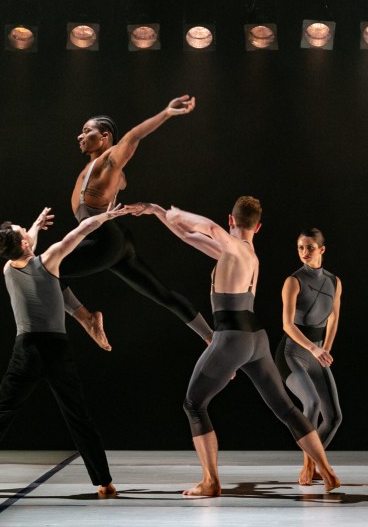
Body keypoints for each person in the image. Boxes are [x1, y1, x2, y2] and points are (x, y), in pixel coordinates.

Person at [125, 198, 340, 496]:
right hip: (256, 339)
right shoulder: (242, 253)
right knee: (286, 409)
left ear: (230, 220)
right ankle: (327, 472)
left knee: (193, 405)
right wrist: (156, 211)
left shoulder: (233, 246)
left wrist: (179, 212)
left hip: (232, 338)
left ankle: (210, 482)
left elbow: (210, 229)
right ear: (258, 227)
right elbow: (187, 235)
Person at [0, 205, 125, 499]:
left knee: (0, 413)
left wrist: (35, 226)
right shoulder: (49, 260)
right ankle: (104, 483)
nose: (26, 230)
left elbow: (26, 252)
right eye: (23, 231)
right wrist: (107, 216)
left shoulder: (8, 269)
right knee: (78, 417)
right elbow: (81, 231)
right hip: (55, 349)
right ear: (25, 243)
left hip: (25, 350)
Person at [57, 96, 213, 344]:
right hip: (116, 242)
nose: (80, 136)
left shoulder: (109, 161)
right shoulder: (96, 168)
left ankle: (88, 319)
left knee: (43, 270)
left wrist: (166, 112)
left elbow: (133, 137)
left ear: (105, 136)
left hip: (105, 240)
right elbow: (121, 181)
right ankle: (212, 338)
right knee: (162, 294)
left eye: (87, 131)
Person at [273, 228, 343, 485]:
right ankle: (308, 468)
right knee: (311, 403)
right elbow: (287, 325)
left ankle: (313, 465)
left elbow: (333, 318)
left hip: (316, 353)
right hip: (291, 354)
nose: (304, 252)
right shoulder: (293, 281)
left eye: (310, 247)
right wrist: (314, 349)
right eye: (300, 247)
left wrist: (325, 349)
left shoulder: (334, 281)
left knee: (334, 418)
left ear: (321, 250)